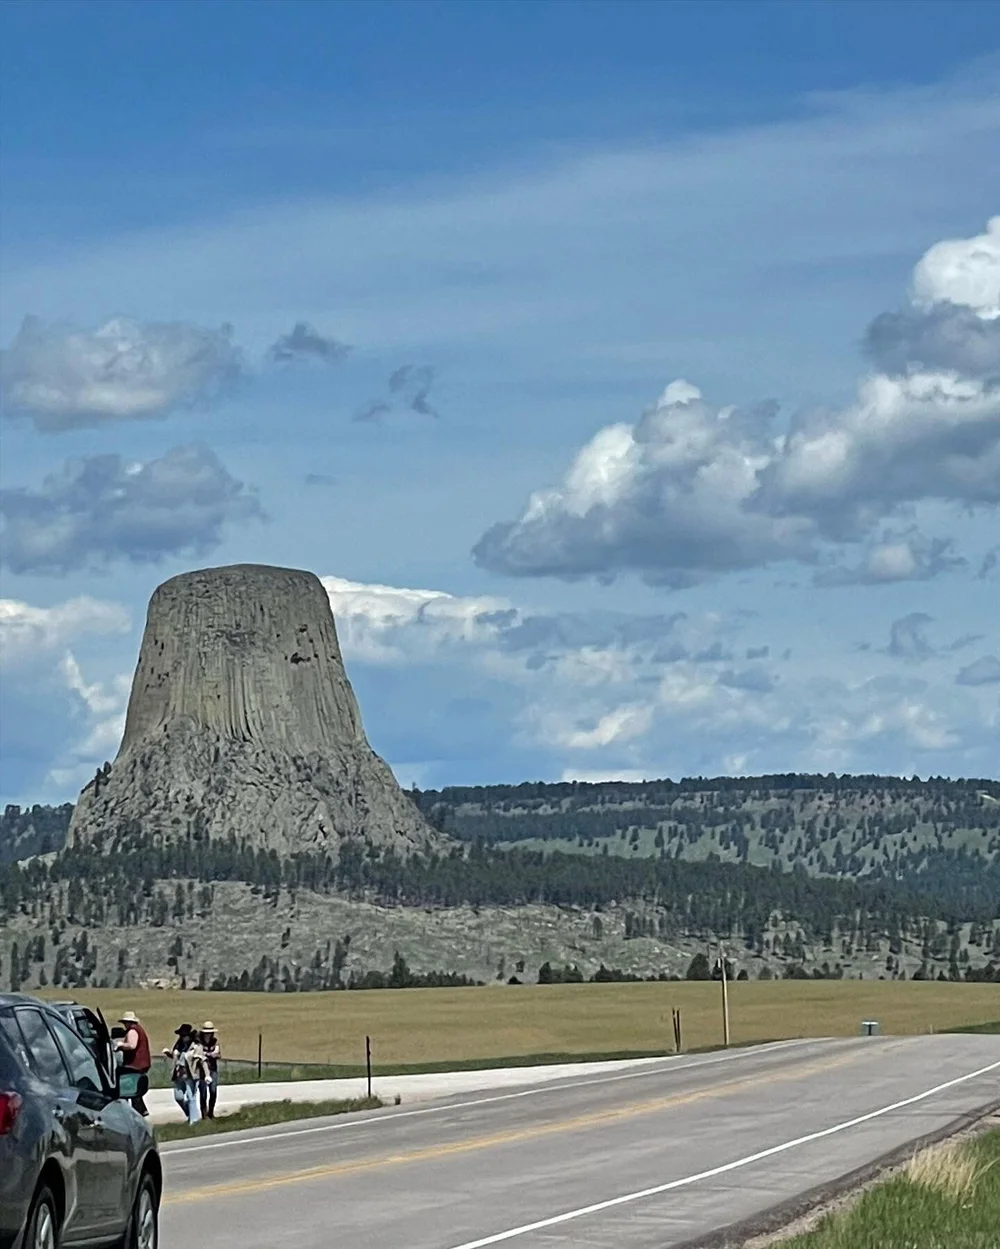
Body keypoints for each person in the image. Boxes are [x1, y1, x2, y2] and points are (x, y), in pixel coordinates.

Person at [163, 1023, 209, 1124]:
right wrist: (169, 1053)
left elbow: (202, 1060)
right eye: (181, 1035)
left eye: (185, 1035)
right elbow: (177, 1057)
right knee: (178, 1097)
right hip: (179, 1074)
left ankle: (194, 1121)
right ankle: (191, 1113)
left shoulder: (196, 1046)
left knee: (191, 1096)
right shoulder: (179, 1046)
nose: (183, 1037)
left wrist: (207, 1075)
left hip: (191, 1074)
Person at [113, 1010, 151, 1116]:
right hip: (140, 1063)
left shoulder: (132, 1031)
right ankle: (140, 1109)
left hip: (135, 1064)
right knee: (135, 1087)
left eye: (125, 1022)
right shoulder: (139, 1030)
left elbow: (132, 1045)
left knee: (129, 1086)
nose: (124, 1025)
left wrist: (120, 1045)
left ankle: (137, 1110)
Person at [198, 1021, 221, 1119]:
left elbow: (218, 1054)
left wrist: (211, 1055)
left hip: (212, 1068)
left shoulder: (215, 1041)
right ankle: (204, 1114)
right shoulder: (199, 1042)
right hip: (202, 1070)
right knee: (203, 1092)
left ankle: (211, 1112)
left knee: (213, 1090)